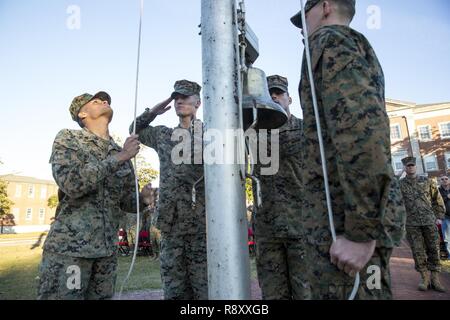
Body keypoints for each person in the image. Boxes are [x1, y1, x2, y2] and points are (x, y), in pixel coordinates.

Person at [291, 0, 406, 299]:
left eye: (304, 15)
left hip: (344, 229)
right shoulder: (345, 44)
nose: (301, 27)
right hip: (340, 222)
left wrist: (360, 232)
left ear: (326, 6)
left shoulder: (330, 41)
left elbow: (362, 135)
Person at [38, 91, 152, 300]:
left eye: (105, 99)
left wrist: (143, 199)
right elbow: (71, 184)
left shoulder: (121, 150)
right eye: (96, 101)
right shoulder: (69, 138)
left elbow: (127, 201)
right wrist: (120, 157)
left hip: (107, 254)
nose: (104, 101)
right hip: (70, 252)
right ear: (82, 113)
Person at [130, 80, 207, 299]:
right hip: (171, 224)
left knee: (203, 289)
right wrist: (153, 111)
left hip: (201, 224)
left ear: (198, 103)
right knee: (174, 289)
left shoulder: (210, 134)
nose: (179, 101)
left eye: (185, 96)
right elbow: (134, 129)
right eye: (176, 97)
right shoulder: (164, 134)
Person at [252, 75, 307, 299]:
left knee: (305, 292)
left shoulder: (305, 130)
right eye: (269, 93)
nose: (274, 96)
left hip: (301, 225)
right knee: (272, 294)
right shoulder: (253, 132)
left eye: (279, 93)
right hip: (267, 227)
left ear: (289, 99)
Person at [400, 157, 446, 292]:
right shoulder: (400, 184)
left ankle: (435, 279)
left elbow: (437, 199)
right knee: (417, 251)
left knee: (434, 249)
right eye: (408, 166)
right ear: (405, 168)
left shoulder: (427, 181)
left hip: (429, 221)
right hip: (412, 223)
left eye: (412, 165)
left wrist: (439, 217)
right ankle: (424, 278)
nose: (410, 168)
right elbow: (395, 200)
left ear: (416, 166)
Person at [438, 174, 450, 259]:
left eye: (446, 179)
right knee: (447, 239)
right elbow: (436, 203)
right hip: (445, 217)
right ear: (440, 181)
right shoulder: (437, 191)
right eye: (442, 179)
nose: (444, 180)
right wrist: (447, 197)